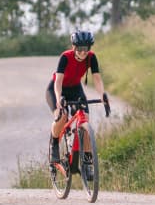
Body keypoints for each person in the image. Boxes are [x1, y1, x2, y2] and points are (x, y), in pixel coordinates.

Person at [46, 29, 110, 162]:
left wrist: (102, 95)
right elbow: (58, 81)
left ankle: (87, 160)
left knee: (85, 119)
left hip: (75, 89)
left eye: (86, 48)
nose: (83, 52)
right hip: (57, 89)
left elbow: (97, 79)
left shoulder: (91, 57)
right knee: (62, 116)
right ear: (74, 47)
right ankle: (54, 144)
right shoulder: (65, 57)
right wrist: (58, 99)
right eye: (80, 48)